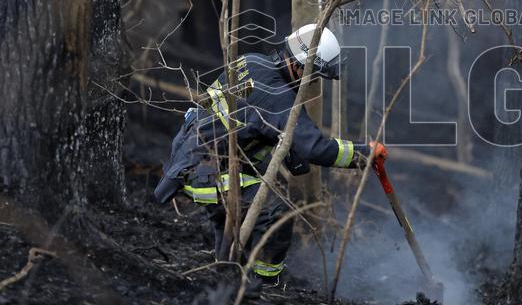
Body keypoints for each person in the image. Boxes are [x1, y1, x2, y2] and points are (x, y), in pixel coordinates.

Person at [152, 23, 385, 282]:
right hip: (207, 170)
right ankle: (264, 283)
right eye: (314, 76)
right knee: (275, 214)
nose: (313, 83)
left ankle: (226, 275)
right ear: (299, 67)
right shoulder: (279, 98)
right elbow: (315, 148)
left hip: (191, 158)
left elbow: (253, 119)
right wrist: (365, 153)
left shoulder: (252, 61)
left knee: (230, 221)